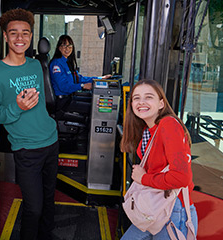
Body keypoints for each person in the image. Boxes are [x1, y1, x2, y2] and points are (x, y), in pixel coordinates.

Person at [0, 9, 59, 240]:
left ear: (31, 36)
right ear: (6, 37)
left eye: (25, 33)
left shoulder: (36, 65)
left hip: (51, 141)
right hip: (26, 149)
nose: (20, 38)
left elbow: (41, 105)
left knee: (49, 200)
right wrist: (17, 107)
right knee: (34, 207)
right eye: (14, 33)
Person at [120, 79, 198, 239]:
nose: (141, 102)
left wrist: (143, 178)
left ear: (161, 103)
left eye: (148, 97)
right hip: (155, 206)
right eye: (136, 98)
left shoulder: (168, 125)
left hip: (173, 211)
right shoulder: (149, 129)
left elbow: (181, 177)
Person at [49, 35, 110, 112]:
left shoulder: (68, 62)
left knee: (96, 101)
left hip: (70, 98)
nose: (67, 48)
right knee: (96, 107)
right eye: (64, 45)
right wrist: (83, 86)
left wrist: (99, 79)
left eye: (69, 45)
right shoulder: (56, 64)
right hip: (63, 102)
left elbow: (79, 78)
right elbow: (63, 86)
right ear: (59, 48)